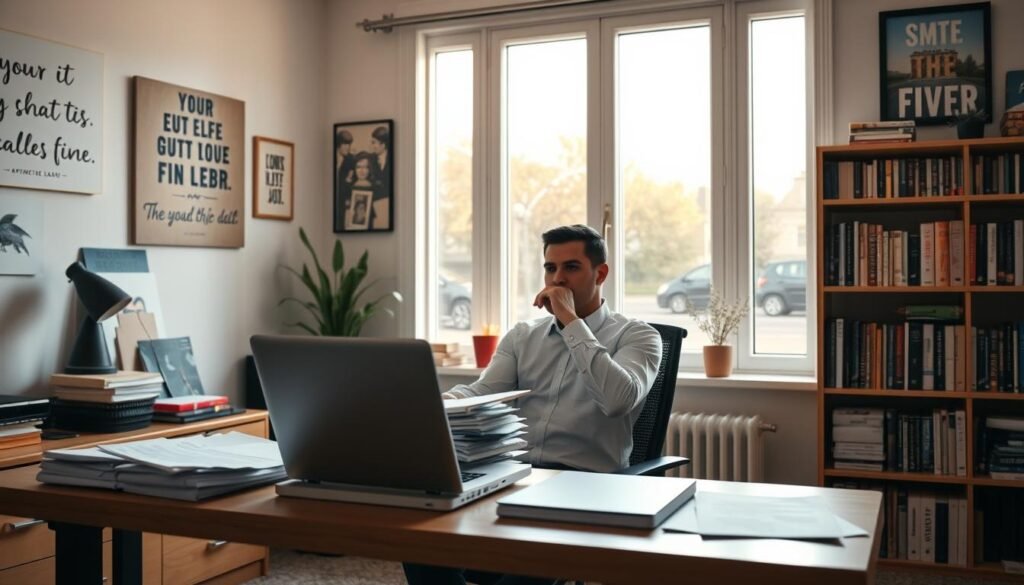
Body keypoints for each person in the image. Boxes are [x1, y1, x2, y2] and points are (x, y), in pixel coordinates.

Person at [403, 224, 662, 585]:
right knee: (418, 532)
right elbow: (483, 391)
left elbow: (618, 400)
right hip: (515, 475)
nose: (557, 280)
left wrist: (571, 322)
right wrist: (431, 404)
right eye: (550, 268)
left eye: (571, 268)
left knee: (528, 569)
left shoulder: (638, 336)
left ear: (600, 273)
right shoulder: (523, 336)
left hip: (585, 484)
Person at [334, 130, 355, 230]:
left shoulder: (351, 160)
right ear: (338, 145)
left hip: (343, 200)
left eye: (349, 144)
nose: (348, 147)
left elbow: (349, 182)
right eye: (345, 144)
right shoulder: (330, 157)